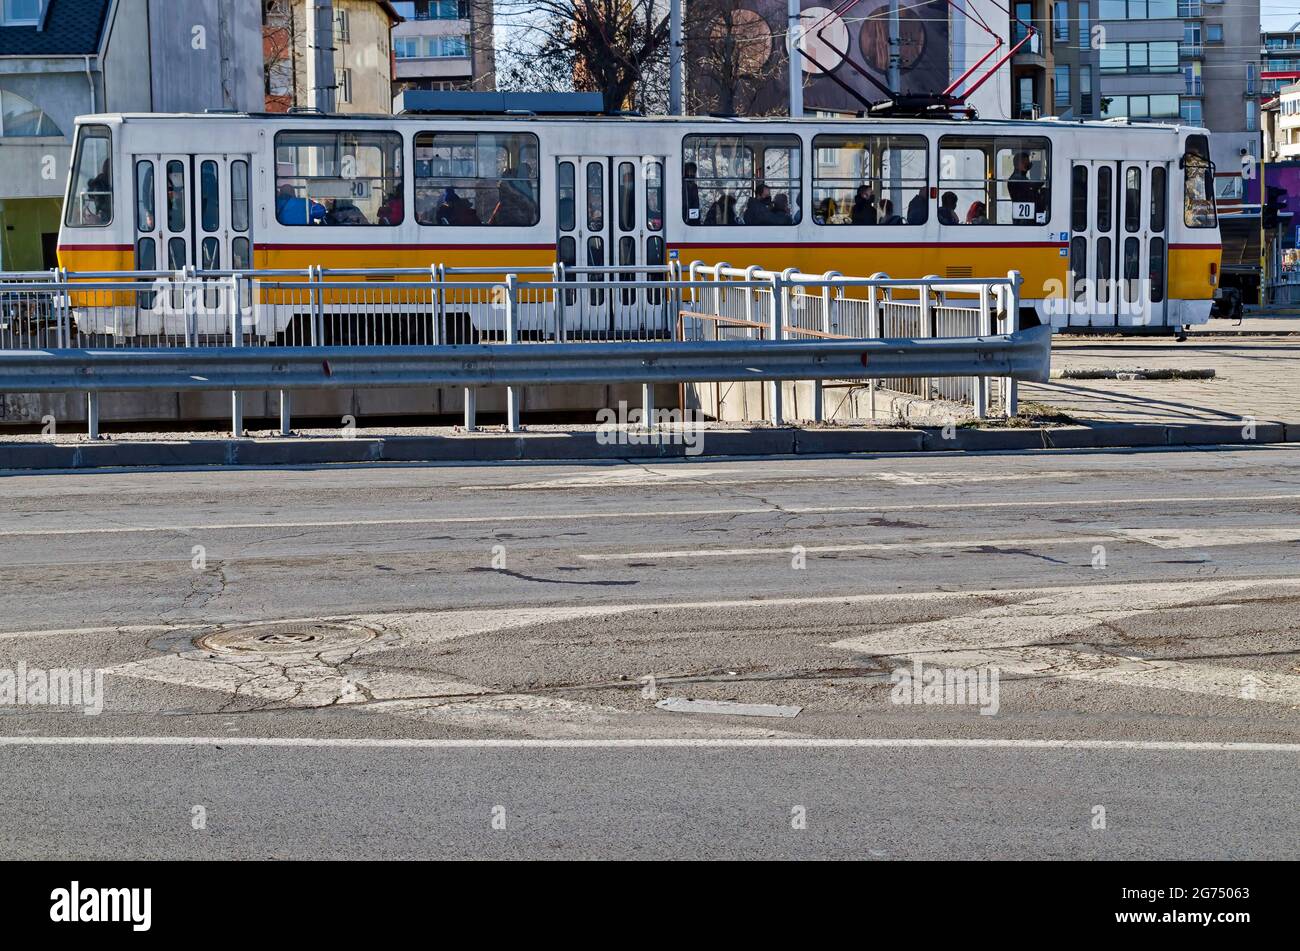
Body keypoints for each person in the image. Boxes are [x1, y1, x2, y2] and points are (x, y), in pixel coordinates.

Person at [1008, 151, 1045, 216]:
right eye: (1025, 163)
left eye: (1027, 162)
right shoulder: (1016, 178)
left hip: (1028, 213)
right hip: (1025, 218)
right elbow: (1032, 186)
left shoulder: (1022, 177)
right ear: (1018, 164)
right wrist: (1045, 180)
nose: (1027, 164)